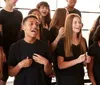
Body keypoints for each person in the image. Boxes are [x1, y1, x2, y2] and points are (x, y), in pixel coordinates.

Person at [8, 15, 52, 85]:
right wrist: (20, 65)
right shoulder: (15, 47)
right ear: (23, 27)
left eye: (37, 25)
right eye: (31, 24)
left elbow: (49, 72)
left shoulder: (45, 46)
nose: (35, 26)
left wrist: (46, 63)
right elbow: (10, 73)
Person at [55, 13, 90, 85]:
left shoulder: (83, 41)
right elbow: (60, 65)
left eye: (79, 22)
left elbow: (82, 63)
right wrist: (77, 60)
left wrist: (85, 61)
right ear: (69, 24)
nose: (78, 24)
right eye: (75, 22)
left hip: (79, 78)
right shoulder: (62, 41)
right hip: (66, 79)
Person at [0, 0, 23, 84]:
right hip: (5, 49)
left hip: (18, 48)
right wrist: (1, 52)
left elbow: (21, 32)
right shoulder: (1, 14)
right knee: (4, 76)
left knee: (19, 73)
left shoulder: (19, 14)